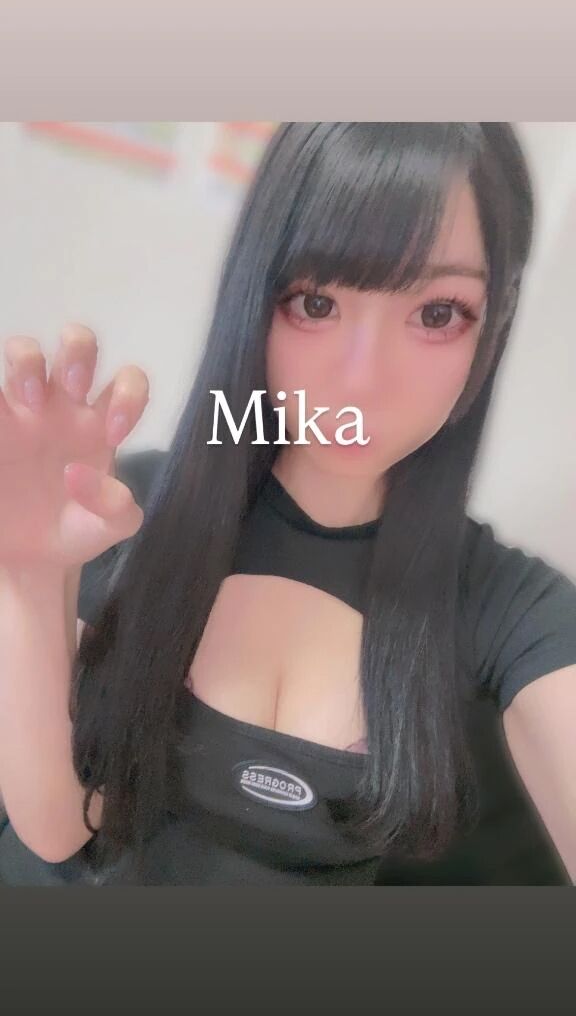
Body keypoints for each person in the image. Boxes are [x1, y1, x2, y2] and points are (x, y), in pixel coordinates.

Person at [0, 122, 574, 886]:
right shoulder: (123, 508)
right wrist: (27, 577)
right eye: (316, 301)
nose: (362, 378)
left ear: (493, 325)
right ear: (256, 295)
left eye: (437, 313)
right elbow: (58, 830)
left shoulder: (511, 608)